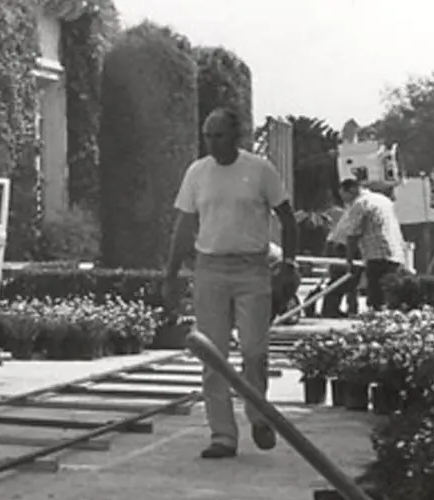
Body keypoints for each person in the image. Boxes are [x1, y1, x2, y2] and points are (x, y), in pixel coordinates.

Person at [163, 108, 298, 460]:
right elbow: (183, 225)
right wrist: (171, 273)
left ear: (235, 137)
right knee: (212, 355)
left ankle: (258, 414)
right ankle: (222, 434)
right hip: (209, 269)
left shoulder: (259, 170)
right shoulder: (197, 172)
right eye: (207, 135)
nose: (212, 142)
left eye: (219, 135)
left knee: (254, 351)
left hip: (252, 269)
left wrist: (289, 263)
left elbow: (286, 216)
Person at [327, 178, 408, 311]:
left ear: (352, 189)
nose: (344, 200)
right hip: (394, 250)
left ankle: (376, 315)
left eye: (344, 195)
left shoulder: (360, 204)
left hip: (376, 253)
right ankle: (389, 314)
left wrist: (349, 260)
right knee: (390, 289)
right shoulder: (383, 200)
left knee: (375, 291)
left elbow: (353, 234)